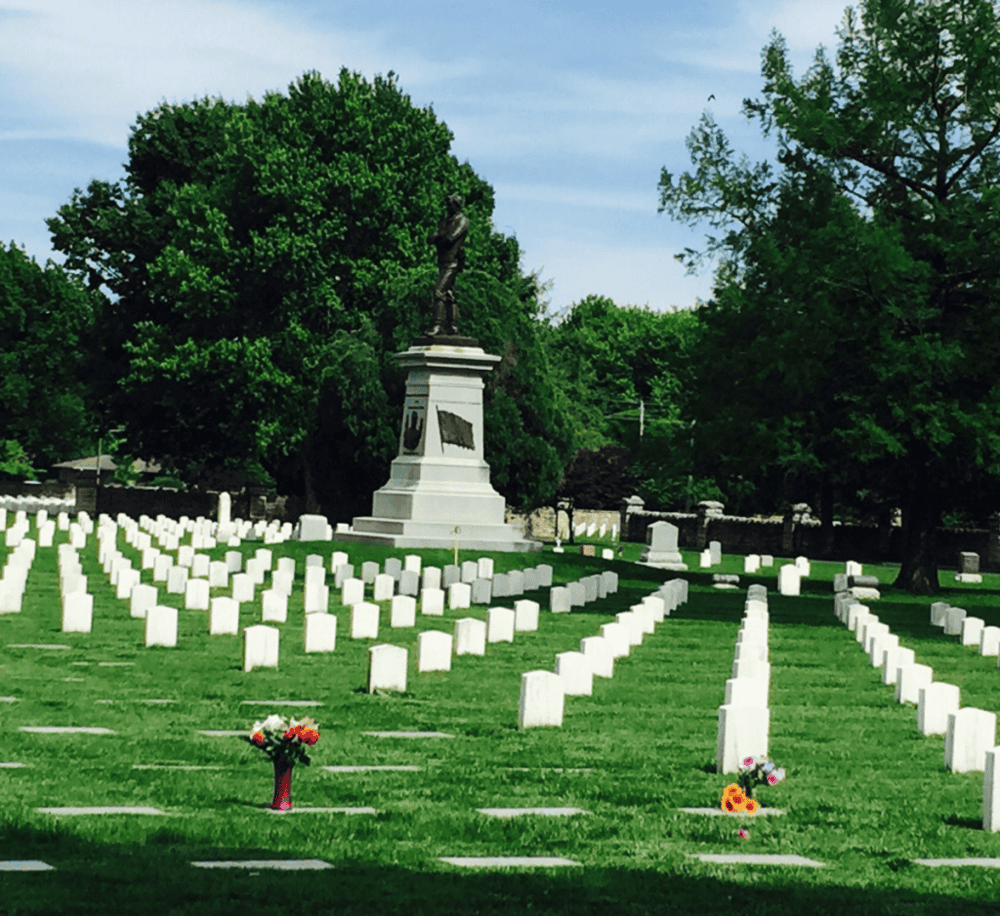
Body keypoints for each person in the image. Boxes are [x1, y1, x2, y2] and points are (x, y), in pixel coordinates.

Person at [425, 194, 469, 336]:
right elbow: (431, 238)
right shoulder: (444, 222)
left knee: (439, 291)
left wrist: (437, 237)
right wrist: (438, 237)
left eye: (450, 204)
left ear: (457, 205)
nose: (447, 207)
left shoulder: (462, 221)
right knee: (449, 293)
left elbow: (450, 239)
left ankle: (437, 325)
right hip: (442, 261)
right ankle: (452, 326)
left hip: (453, 261)